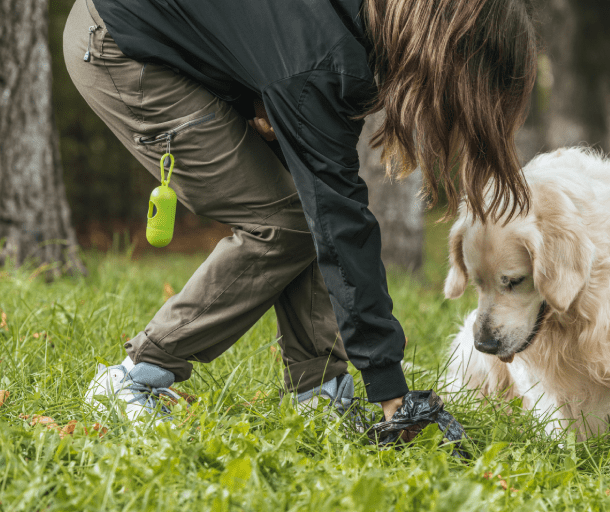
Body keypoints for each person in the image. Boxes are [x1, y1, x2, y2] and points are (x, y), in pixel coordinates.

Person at [64, 0, 538, 424]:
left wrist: (257, 92)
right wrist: (390, 391)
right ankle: (133, 377)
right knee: (283, 223)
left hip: (171, 44)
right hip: (120, 45)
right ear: (445, 50)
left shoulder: (357, 33)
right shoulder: (326, 58)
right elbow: (339, 219)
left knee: (304, 205)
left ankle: (319, 394)